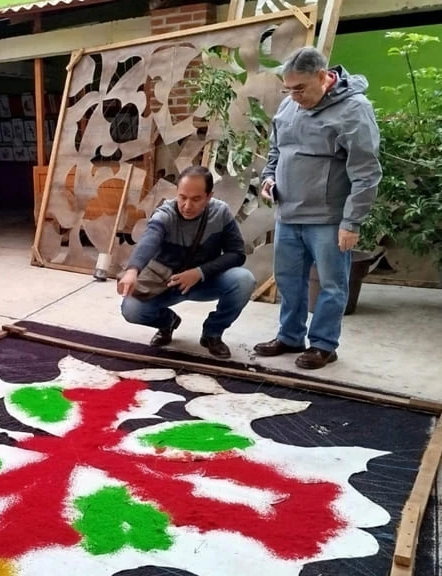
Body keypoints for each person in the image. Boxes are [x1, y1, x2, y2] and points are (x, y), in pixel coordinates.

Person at [253, 46, 382, 370]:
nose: (294, 96)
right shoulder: (288, 106)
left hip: (328, 218)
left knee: (332, 284)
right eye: (289, 89)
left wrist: (351, 222)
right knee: (288, 280)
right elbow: (276, 151)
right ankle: (290, 336)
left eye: (301, 88)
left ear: (324, 77)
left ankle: (324, 344)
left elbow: (367, 171)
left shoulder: (354, 109)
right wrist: (268, 178)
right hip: (288, 213)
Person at [117, 165, 256, 358]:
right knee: (131, 309)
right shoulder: (165, 214)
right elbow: (149, 239)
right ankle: (168, 323)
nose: (187, 206)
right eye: (183, 197)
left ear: (209, 196)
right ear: (177, 193)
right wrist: (133, 270)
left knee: (244, 280)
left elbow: (237, 253)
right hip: (166, 283)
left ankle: (212, 334)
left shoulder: (220, 212)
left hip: (204, 280)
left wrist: (199, 272)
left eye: (196, 199)